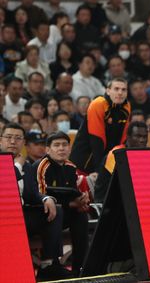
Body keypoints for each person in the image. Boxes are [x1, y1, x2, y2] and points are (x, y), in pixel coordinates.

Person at [0, 123, 71, 280]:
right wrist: (17, 166)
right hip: (5, 217)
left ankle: (48, 265)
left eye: (18, 138)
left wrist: (46, 198)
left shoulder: (26, 165)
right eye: (9, 137)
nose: (13, 141)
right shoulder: (18, 164)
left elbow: (32, 193)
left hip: (22, 215)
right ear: (1, 140)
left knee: (56, 209)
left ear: (23, 143)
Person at [35, 131, 90, 276]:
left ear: (69, 149)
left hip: (63, 211)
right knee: (57, 211)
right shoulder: (42, 166)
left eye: (65, 145)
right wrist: (71, 204)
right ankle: (51, 265)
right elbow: (41, 197)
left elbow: (72, 193)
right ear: (48, 149)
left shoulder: (71, 167)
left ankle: (80, 266)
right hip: (43, 214)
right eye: (57, 145)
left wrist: (81, 200)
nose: (61, 148)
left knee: (81, 215)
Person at [70, 78, 131, 175]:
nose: (120, 93)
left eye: (124, 90)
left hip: (106, 160)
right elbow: (97, 139)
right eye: (116, 89)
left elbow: (123, 139)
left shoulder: (127, 107)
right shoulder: (98, 104)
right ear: (108, 91)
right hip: (85, 159)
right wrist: (100, 170)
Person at [94, 121, 148, 202]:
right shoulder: (116, 154)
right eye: (138, 136)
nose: (142, 140)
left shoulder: (144, 155)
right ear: (128, 137)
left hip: (128, 199)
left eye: (145, 137)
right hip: (107, 201)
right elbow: (123, 182)